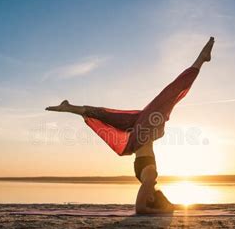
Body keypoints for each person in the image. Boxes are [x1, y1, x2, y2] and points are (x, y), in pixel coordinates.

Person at [46, 37, 215, 214]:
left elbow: (140, 210)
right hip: (141, 139)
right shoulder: (148, 178)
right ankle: (70, 108)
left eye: (161, 197)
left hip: (142, 140)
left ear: (152, 197)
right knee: (114, 116)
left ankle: (200, 60)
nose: (158, 187)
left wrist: (162, 212)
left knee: (169, 95)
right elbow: (146, 205)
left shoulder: (149, 177)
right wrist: (167, 208)